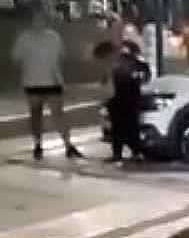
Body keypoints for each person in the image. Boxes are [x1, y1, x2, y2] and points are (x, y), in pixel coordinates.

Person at [10, 11, 83, 160]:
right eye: (36, 20)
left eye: (41, 19)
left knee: (58, 114)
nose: (38, 23)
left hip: (52, 81)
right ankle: (38, 145)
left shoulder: (53, 37)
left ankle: (68, 145)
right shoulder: (25, 38)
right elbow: (16, 58)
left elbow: (61, 57)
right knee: (36, 115)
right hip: (32, 82)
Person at [94, 40, 150, 164]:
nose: (103, 62)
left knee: (126, 126)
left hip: (126, 96)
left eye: (103, 58)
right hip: (121, 97)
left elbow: (141, 73)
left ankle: (130, 152)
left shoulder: (125, 61)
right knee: (121, 126)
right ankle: (124, 153)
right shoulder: (124, 61)